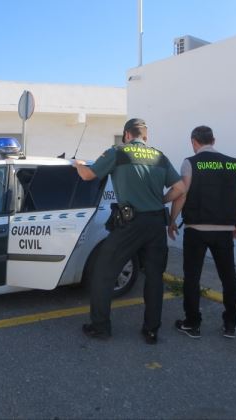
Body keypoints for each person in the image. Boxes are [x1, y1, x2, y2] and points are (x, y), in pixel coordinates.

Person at [74, 118, 186, 344]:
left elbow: (87, 175)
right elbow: (181, 188)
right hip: (156, 225)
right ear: (145, 137)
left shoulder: (118, 152)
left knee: (103, 274)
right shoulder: (159, 156)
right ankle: (151, 331)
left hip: (130, 224)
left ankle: (100, 327)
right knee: (154, 278)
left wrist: (78, 164)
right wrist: (160, 201)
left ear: (127, 135)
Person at [168, 125, 236, 339]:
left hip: (197, 230)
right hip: (224, 231)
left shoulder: (190, 162)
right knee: (228, 277)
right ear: (213, 140)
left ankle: (192, 323)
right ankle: (230, 324)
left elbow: (182, 194)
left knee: (192, 278)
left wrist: (171, 220)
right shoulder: (234, 164)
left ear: (194, 141)